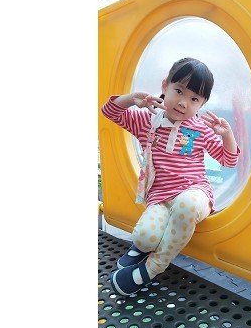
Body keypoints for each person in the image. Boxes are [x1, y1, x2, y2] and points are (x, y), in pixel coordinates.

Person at [101, 57, 241, 296]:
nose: (183, 103)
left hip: (195, 192)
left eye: (194, 99)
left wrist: (227, 135)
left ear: (202, 103)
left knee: (186, 204)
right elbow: (109, 111)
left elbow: (228, 161)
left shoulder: (201, 129)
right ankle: (142, 248)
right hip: (160, 197)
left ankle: (151, 268)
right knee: (144, 238)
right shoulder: (147, 121)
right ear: (165, 86)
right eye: (179, 91)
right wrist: (132, 99)